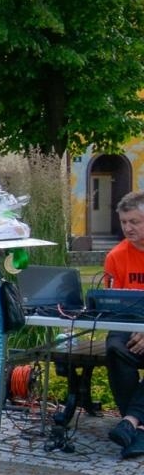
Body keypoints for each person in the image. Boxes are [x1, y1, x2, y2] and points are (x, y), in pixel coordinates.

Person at [101, 190, 144, 458]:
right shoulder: (115, 257)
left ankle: (131, 423)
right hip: (128, 327)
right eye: (124, 222)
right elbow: (110, 308)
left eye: (135, 222)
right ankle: (137, 427)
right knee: (115, 349)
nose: (128, 227)